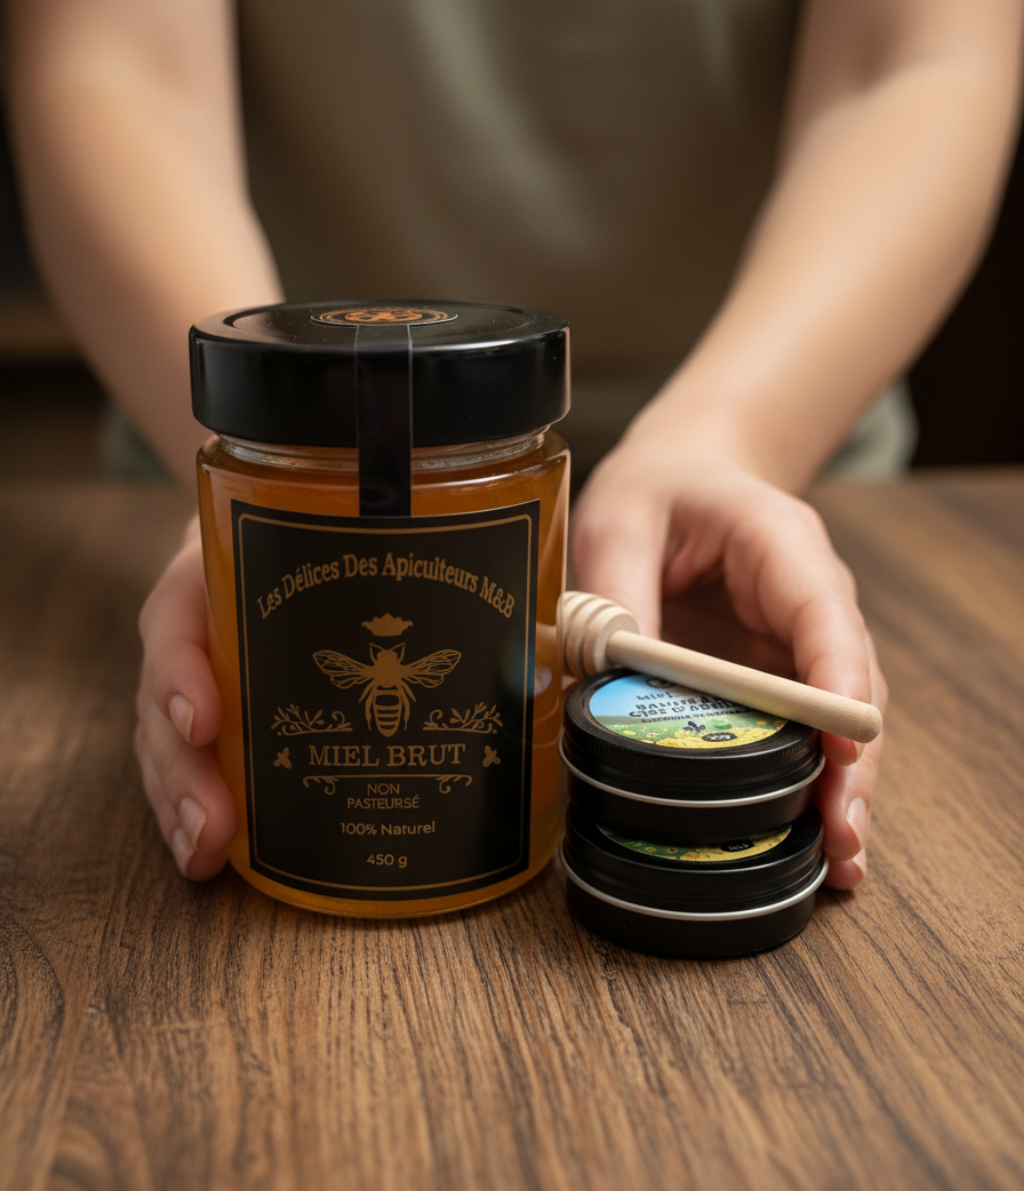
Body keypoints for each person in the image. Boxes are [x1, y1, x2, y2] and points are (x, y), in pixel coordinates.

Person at [9, 0, 1023, 891]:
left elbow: (913, 64)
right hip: (258, 450)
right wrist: (275, 480)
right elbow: (116, 66)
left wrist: (730, 439)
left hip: (773, 463)